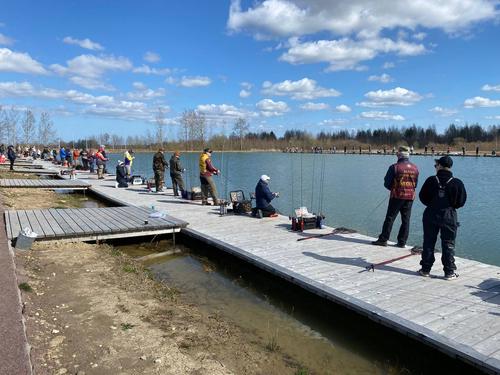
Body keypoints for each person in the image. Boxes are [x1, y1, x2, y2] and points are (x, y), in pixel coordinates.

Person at [417, 156, 467, 280]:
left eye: (436, 165)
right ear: (450, 167)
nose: (435, 168)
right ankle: (449, 272)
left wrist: (432, 204)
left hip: (431, 214)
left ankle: (425, 269)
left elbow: (422, 197)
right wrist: (451, 206)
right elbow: (461, 202)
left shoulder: (431, 180)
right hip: (449, 215)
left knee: (428, 242)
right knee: (448, 244)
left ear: (439, 166)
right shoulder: (457, 183)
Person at [372, 146, 419, 247]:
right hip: (410, 197)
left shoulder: (395, 167)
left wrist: (393, 188)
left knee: (390, 217)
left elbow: (386, 183)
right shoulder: (415, 168)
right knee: (406, 220)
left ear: (399, 155)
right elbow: (415, 184)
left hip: (397, 196)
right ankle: (402, 242)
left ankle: (383, 239)